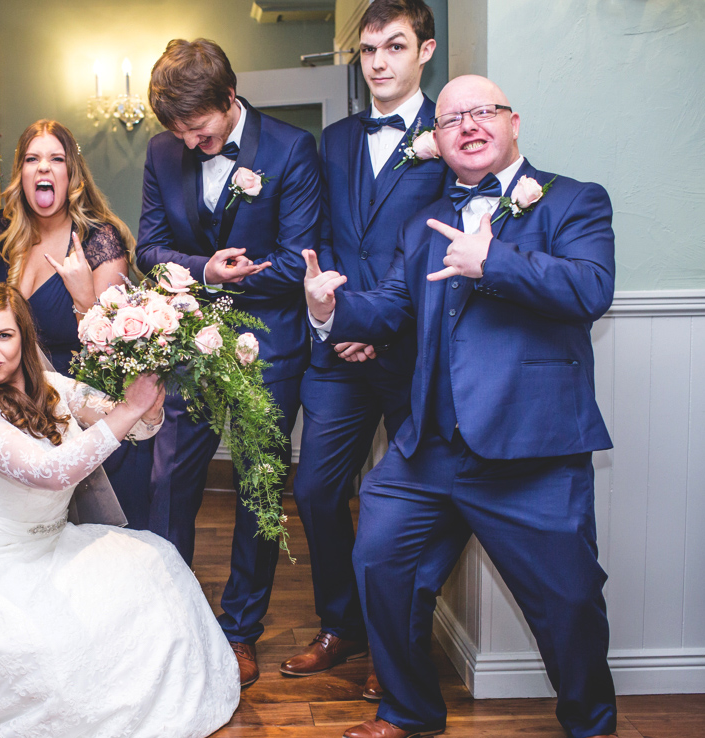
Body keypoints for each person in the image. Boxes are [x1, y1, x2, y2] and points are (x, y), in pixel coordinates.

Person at [304, 75, 617, 738]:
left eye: (483, 112)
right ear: (439, 141)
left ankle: (590, 724)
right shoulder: (422, 223)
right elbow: (390, 306)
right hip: (430, 450)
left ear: (513, 122)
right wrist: (329, 310)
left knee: (568, 604)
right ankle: (409, 711)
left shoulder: (573, 200)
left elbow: (591, 289)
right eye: (451, 120)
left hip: (531, 452)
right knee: (380, 563)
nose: (468, 126)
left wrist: (493, 259)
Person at [0, 284, 240, 737]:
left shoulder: (54, 387)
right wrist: (130, 409)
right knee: (48, 652)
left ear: (24, 339)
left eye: (4, 335)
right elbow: (50, 472)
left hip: (54, 545)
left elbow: (130, 426)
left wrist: (148, 410)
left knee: (157, 562)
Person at [135, 38, 321, 688]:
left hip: (269, 350)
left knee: (257, 490)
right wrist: (203, 271)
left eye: (199, 126)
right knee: (168, 482)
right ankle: (170, 617)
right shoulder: (162, 152)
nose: (190, 141)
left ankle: (241, 629)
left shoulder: (291, 150)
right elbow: (149, 249)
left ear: (229, 97)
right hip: (190, 346)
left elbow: (298, 259)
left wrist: (232, 278)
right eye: (179, 131)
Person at [284, 0, 449, 700]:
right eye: (369, 49)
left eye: (394, 46)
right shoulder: (337, 138)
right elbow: (324, 237)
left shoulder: (451, 135)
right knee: (315, 490)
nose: (378, 62)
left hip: (413, 353)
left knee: (413, 508)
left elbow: (443, 246)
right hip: (337, 351)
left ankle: (397, 648)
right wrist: (336, 318)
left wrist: (374, 324)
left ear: (425, 51)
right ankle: (341, 625)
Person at [0, 119, 155, 528]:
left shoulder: (99, 239)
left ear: (71, 173)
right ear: (21, 174)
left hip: (84, 408)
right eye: (32, 159)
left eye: (55, 159)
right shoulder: (1, 234)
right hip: (16, 413)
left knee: (98, 540)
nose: (43, 167)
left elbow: (115, 349)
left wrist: (83, 297)